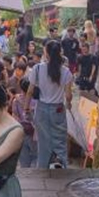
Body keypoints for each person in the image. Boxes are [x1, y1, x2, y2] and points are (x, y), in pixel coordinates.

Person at [30, 40, 73, 169]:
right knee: (60, 140)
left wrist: (26, 107)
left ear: (46, 53)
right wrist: (69, 104)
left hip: (42, 108)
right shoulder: (66, 72)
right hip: (58, 108)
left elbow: (30, 90)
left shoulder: (37, 69)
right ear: (60, 53)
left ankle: (42, 168)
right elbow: (68, 95)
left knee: (43, 142)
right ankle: (62, 165)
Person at [11, 79, 38, 167]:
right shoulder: (36, 101)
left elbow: (15, 116)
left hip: (21, 130)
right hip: (34, 132)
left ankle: (25, 177)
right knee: (35, 156)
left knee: (23, 158)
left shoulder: (16, 100)